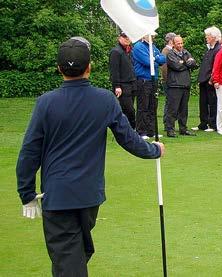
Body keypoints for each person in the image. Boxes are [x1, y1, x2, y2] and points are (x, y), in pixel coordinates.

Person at [16, 37, 165, 276]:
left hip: (59, 195)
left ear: (59, 69)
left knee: (69, 259)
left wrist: (26, 193)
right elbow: (128, 139)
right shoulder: (104, 99)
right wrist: (154, 150)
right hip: (89, 196)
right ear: (89, 67)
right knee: (76, 253)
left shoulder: (46, 102)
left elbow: (29, 152)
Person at [132, 33, 166, 139]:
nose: (153, 38)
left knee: (153, 105)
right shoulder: (138, 46)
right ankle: (141, 131)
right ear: (144, 36)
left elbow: (163, 59)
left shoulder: (153, 46)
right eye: (151, 36)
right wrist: (155, 59)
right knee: (143, 105)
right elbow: (148, 62)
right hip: (143, 79)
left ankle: (151, 131)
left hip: (153, 79)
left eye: (153, 36)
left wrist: (154, 58)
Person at [164, 35, 198, 137]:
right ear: (173, 44)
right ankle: (170, 129)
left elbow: (193, 63)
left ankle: (183, 128)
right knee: (173, 109)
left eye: (181, 43)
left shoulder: (186, 52)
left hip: (185, 84)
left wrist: (184, 62)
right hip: (175, 85)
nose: (180, 45)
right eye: (178, 43)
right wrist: (186, 63)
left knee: (184, 109)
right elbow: (176, 66)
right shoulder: (170, 54)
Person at [195, 26, 222, 132]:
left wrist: (212, 79)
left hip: (210, 80)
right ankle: (203, 123)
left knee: (212, 102)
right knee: (203, 102)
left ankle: (212, 124)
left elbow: (216, 66)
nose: (206, 38)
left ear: (214, 37)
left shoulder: (217, 49)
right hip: (203, 79)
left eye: (208, 36)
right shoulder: (209, 49)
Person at [108, 32, 137, 129]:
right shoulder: (116, 51)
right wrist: (117, 86)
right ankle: (131, 129)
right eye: (124, 37)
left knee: (130, 109)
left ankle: (130, 130)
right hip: (122, 85)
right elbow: (114, 70)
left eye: (128, 37)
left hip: (131, 83)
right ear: (119, 38)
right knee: (128, 110)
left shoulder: (128, 51)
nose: (127, 39)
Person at [160, 32, 177, 128]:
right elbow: (164, 68)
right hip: (168, 81)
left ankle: (169, 122)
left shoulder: (170, 51)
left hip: (170, 80)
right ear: (171, 41)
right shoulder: (166, 51)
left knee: (170, 101)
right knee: (169, 102)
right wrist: (167, 80)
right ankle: (167, 123)